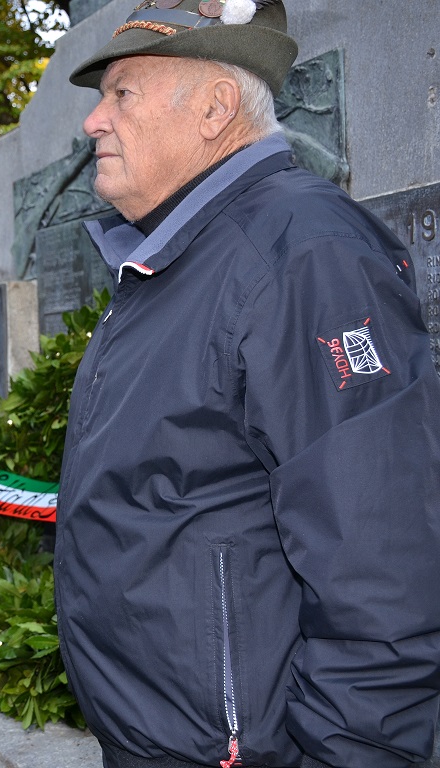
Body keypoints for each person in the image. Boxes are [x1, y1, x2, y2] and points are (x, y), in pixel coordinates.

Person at [54, 3, 440, 767]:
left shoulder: (302, 256)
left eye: (122, 93)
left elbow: (380, 562)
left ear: (214, 108)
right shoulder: (181, 259)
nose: (95, 120)